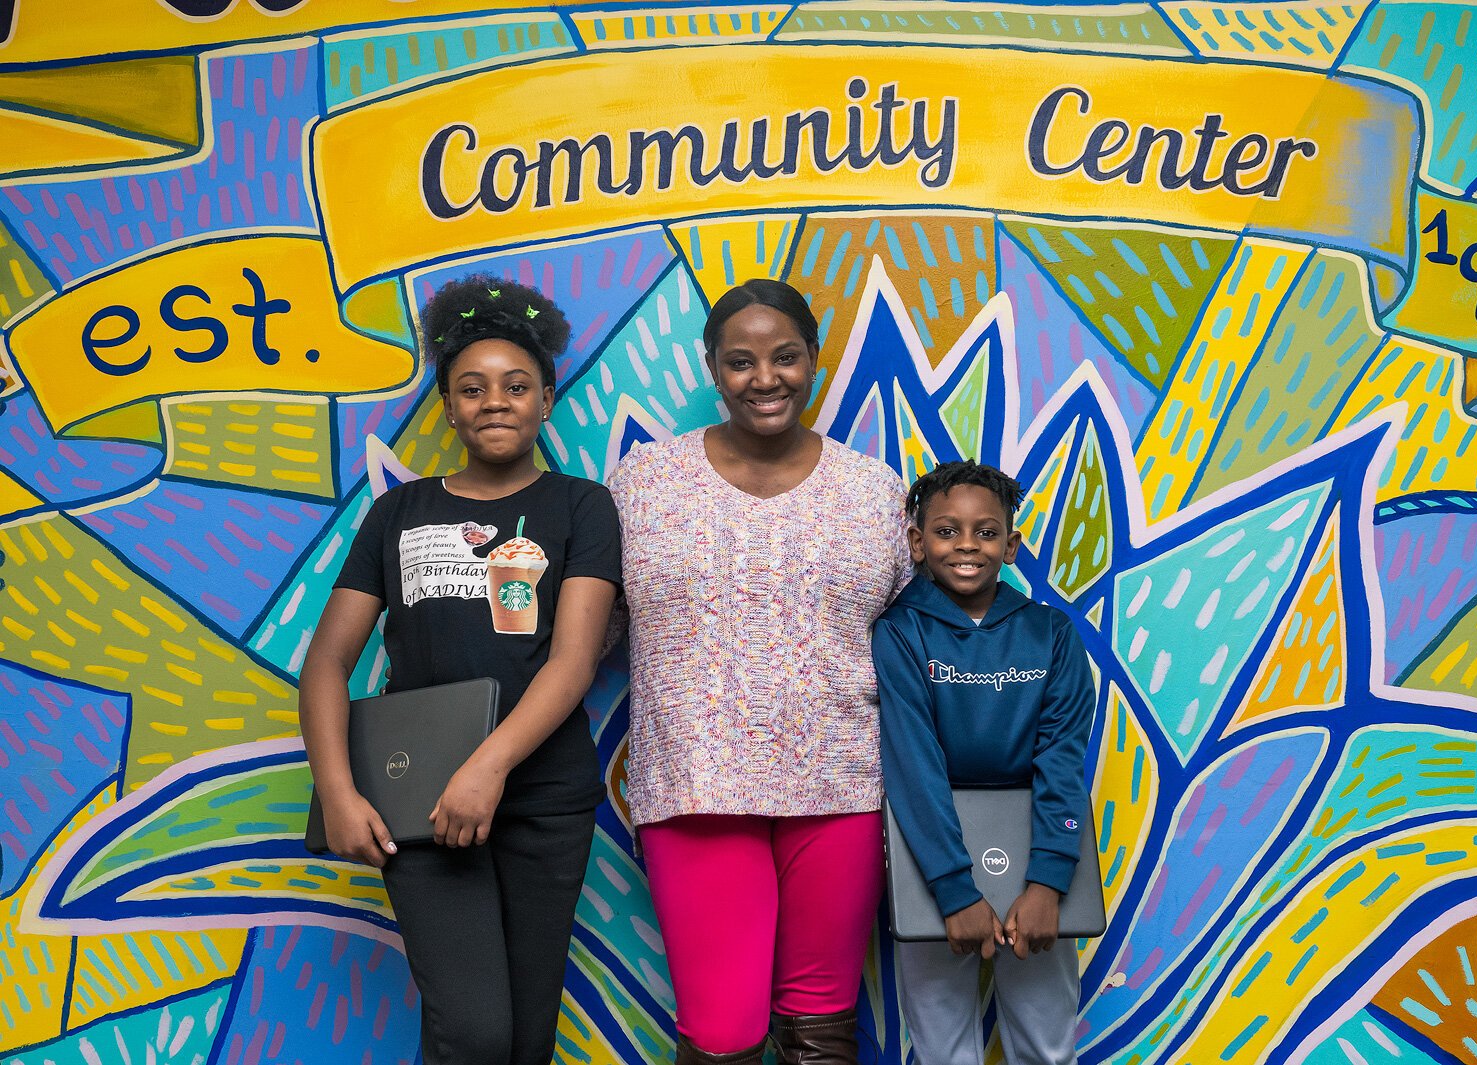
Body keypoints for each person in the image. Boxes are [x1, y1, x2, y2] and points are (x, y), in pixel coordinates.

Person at [298, 274, 621, 1065]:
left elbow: (574, 661)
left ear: (547, 397)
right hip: (420, 802)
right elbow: (326, 665)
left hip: (544, 799)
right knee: (474, 1033)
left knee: (524, 1040)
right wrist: (340, 794)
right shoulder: (398, 513)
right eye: (471, 388)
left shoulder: (582, 506)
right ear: (449, 408)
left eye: (517, 385)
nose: (495, 401)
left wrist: (489, 767)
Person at [607, 278, 911, 1065]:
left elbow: (913, 641)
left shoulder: (874, 490)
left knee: (820, 1033)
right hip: (698, 785)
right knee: (723, 1033)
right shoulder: (643, 483)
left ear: (814, 358)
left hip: (838, 782)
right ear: (712, 367)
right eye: (740, 361)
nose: (765, 377)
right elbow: (591, 629)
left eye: (785, 356)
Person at [873, 460, 1094, 1065]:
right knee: (944, 1049)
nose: (967, 545)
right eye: (946, 531)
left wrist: (1048, 882)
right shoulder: (899, 633)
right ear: (917, 542)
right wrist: (952, 889)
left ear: (1012, 545)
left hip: (1034, 863)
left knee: (1048, 1045)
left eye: (986, 532)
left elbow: (1063, 759)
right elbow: (911, 764)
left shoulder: (1051, 633)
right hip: (930, 862)